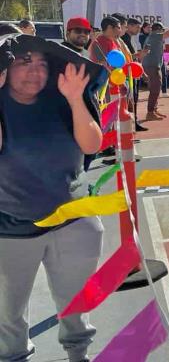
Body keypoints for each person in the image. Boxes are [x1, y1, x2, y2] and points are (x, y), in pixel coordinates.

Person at [0, 33, 105, 362]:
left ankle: (78, 354)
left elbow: (91, 146)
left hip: (72, 221)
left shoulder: (60, 99)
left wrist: (75, 99)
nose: (34, 72)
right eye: (23, 63)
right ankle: (15, 356)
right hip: (11, 228)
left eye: (42, 64)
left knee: (76, 301)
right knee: (8, 312)